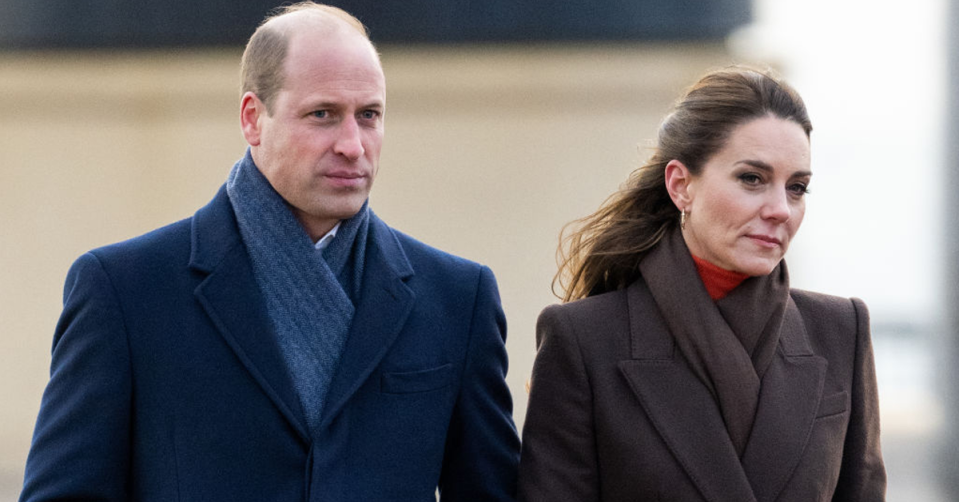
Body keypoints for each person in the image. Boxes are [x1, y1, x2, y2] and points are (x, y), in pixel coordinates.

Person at [20, 3, 519, 500]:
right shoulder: (125, 290)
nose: (353, 144)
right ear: (253, 119)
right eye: (323, 114)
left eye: (368, 116)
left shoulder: (458, 298)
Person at [518, 67, 885, 501]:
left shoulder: (840, 331)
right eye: (752, 178)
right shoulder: (584, 340)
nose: (780, 209)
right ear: (680, 186)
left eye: (797, 188)